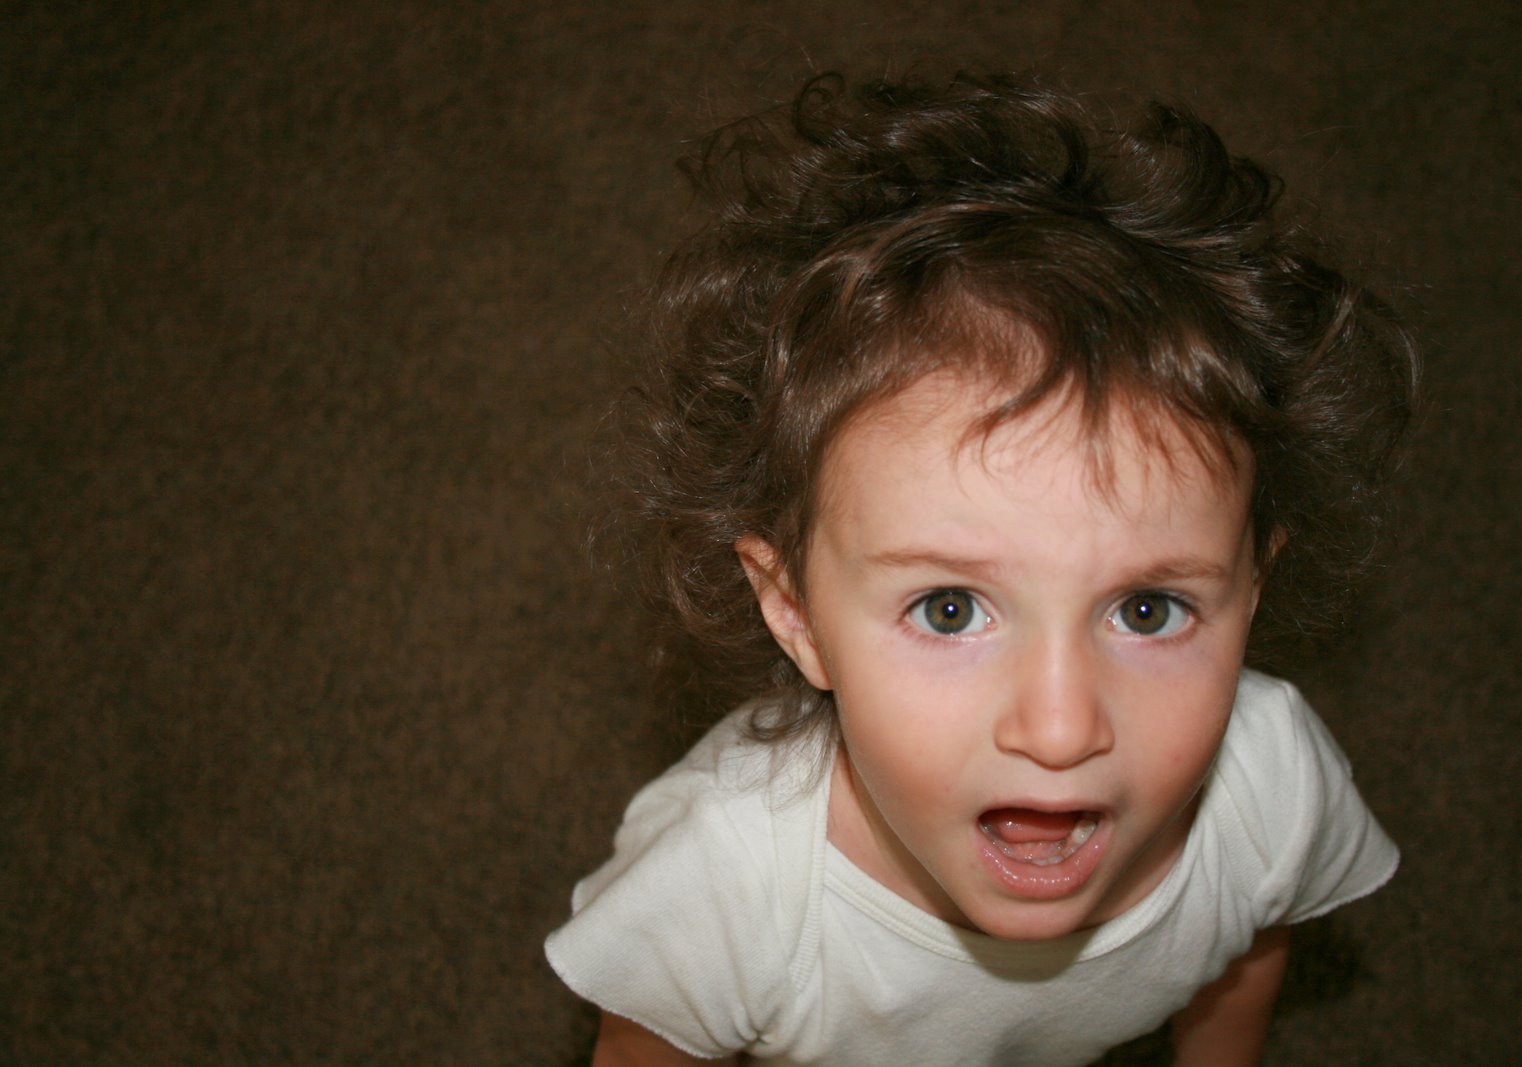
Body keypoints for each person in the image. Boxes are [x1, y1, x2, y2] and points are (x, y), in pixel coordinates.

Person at [545, 70, 1419, 1066]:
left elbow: (1245, 954)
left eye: (1146, 608)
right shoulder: (718, 884)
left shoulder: (1270, 787)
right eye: (951, 609)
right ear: (794, 610)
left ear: (1251, 588)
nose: (1060, 726)